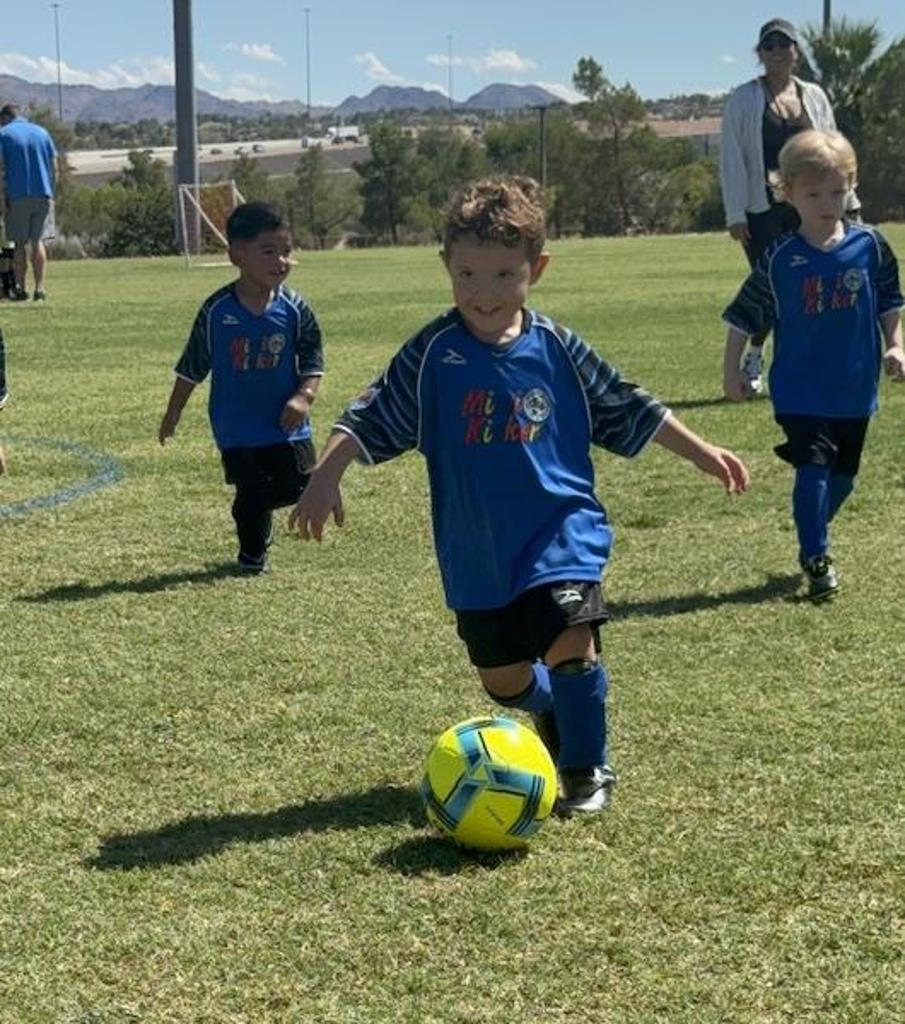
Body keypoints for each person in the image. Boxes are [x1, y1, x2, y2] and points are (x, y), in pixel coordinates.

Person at [290, 176, 750, 815]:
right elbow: (370, 414)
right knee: (502, 680)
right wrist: (325, 475)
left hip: (561, 530)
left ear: (538, 267)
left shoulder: (558, 347)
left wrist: (702, 451)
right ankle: (554, 709)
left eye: (504, 274)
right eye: (468, 275)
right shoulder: (434, 353)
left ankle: (586, 770)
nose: (484, 293)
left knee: (571, 639)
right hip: (478, 551)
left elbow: (628, 405)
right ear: (446, 266)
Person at [723, 130, 904, 599]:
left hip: (855, 388)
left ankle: (811, 525)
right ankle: (817, 556)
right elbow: (744, 316)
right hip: (799, 388)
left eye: (837, 192)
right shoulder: (780, 258)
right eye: (814, 195)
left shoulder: (871, 247)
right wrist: (731, 371)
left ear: (851, 187)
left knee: (842, 479)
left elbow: (889, 299)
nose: (827, 204)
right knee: (814, 468)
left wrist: (895, 345)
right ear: (787, 193)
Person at [158, 201, 324, 573]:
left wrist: (304, 396)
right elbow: (192, 366)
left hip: (287, 424)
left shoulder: (295, 308)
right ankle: (252, 555)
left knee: (298, 485)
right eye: (269, 251)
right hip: (236, 426)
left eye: (286, 251)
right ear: (236, 255)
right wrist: (173, 412)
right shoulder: (217, 311)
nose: (281, 261)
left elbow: (313, 359)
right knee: (251, 491)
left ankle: (254, 509)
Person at [719, 17, 859, 396]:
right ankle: (754, 355)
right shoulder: (744, 99)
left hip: (811, 207)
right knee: (770, 286)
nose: (777, 51)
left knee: (812, 287)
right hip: (762, 211)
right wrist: (735, 214)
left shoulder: (814, 96)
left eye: (785, 44)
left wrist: (848, 200)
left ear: (796, 52)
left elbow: (835, 150)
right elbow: (732, 158)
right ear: (760, 53)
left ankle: (806, 364)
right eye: (769, 45)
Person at [0, 105, 57, 302]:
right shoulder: (42, 132)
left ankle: (21, 288)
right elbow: (54, 166)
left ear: (4, 117)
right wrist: (52, 192)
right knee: (38, 241)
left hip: (17, 195)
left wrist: (2, 199)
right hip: (43, 194)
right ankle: (40, 289)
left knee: (19, 245)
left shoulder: (4, 134)